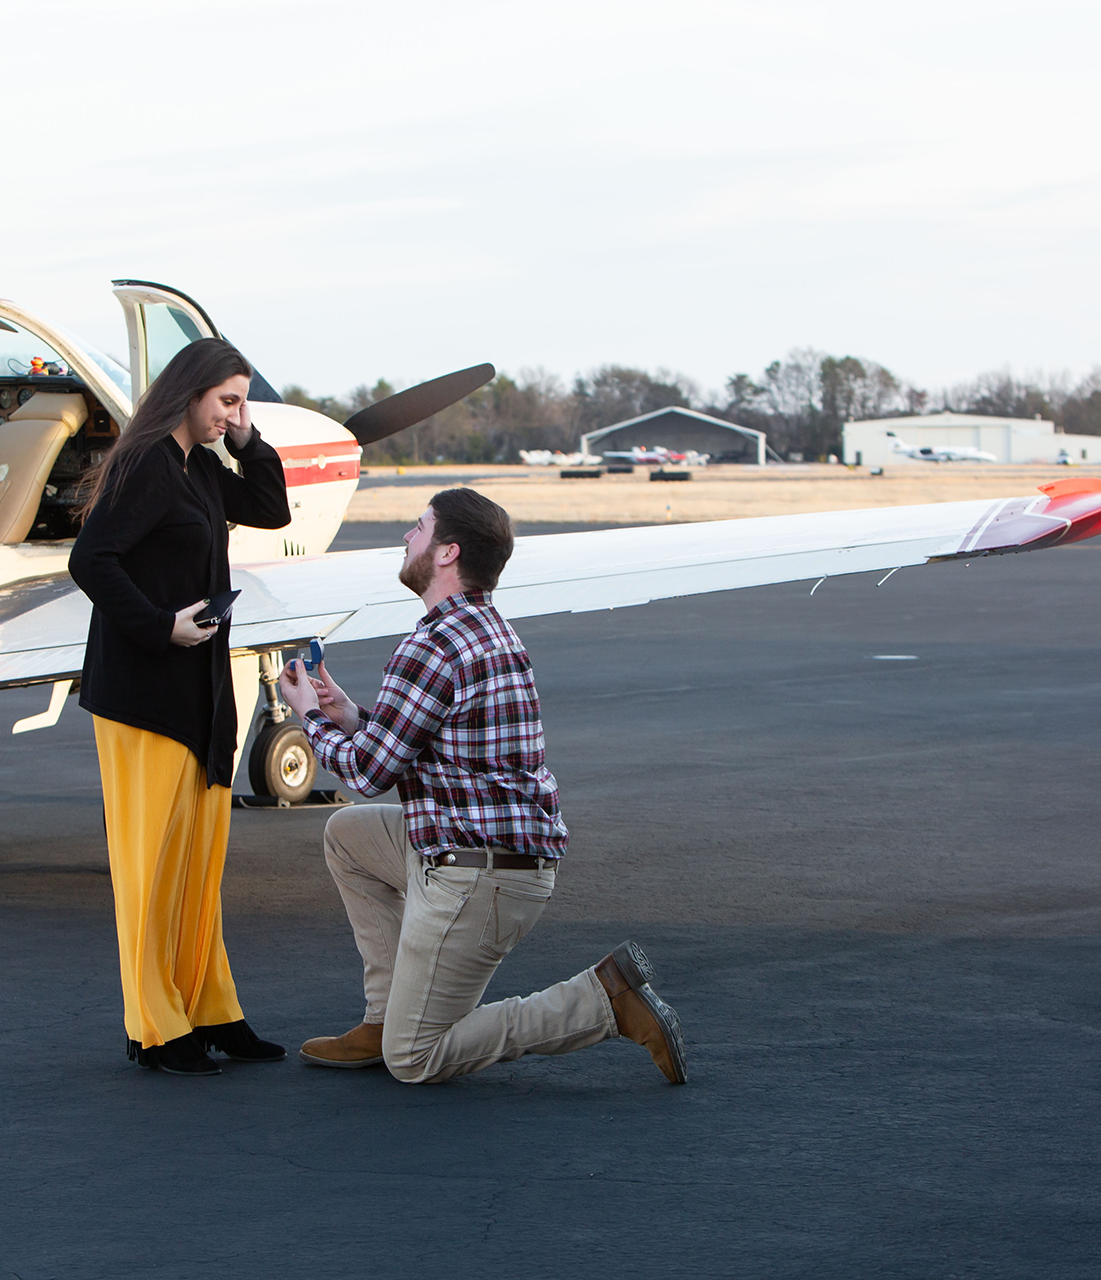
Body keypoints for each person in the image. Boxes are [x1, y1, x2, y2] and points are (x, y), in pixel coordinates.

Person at [276, 488, 687, 1085]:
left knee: (414, 1059)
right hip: (494, 855)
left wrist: (307, 716)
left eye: (418, 529)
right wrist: (348, 717)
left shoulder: (434, 644)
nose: (406, 538)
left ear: (447, 552)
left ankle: (604, 1002)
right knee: (347, 836)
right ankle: (385, 1013)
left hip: (479, 875)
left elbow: (367, 774)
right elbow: (424, 746)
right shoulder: (488, 629)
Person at [68, 338, 292, 1076]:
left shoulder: (196, 466)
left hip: (196, 689)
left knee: (198, 860)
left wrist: (246, 437)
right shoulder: (144, 467)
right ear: (188, 394)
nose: (235, 414)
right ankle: (155, 1025)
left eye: (241, 402)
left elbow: (270, 507)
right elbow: (89, 559)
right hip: (144, 693)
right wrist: (158, 624)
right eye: (227, 400)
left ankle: (209, 1009)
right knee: (151, 865)